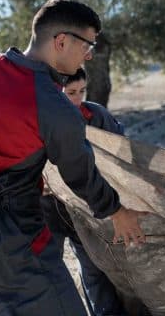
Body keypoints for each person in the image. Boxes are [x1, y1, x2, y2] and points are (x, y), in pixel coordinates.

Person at [0, 0, 146, 316]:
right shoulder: (51, 103)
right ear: (61, 41)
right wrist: (117, 212)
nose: (89, 54)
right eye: (88, 44)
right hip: (9, 232)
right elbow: (80, 175)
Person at [41, 67, 127, 316]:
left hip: (88, 206)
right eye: (70, 93)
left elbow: (121, 152)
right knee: (48, 271)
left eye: (82, 91)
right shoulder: (39, 119)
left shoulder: (96, 115)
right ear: (56, 92)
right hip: (47, 209)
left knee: (94, 266)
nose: (77, 99)